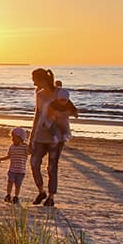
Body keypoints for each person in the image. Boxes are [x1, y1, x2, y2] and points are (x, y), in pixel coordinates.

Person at [28, 68, 77, 207]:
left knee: (51, 166)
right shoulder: (39, 94)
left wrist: (57, 117)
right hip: (41, 135)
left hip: (57, 136)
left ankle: (51, 196)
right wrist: (32, 136)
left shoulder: (59, 92)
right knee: (34, 163)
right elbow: (37, 115)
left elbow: (69, 109)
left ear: (42, 79)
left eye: (34, 80)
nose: (33, 83)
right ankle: (41, 191)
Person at [3, 127, 30, 204]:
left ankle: (16, 196)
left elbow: (30, 152)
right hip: (12, 169)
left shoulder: (25, 147)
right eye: (12, 137)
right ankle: (8, 195)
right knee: (10, 182)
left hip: (21, 170)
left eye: (14, 137)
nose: (12, 139)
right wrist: (0, 159)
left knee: (18, 185)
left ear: (20, 138)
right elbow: (9, 156)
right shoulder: (12, 147)